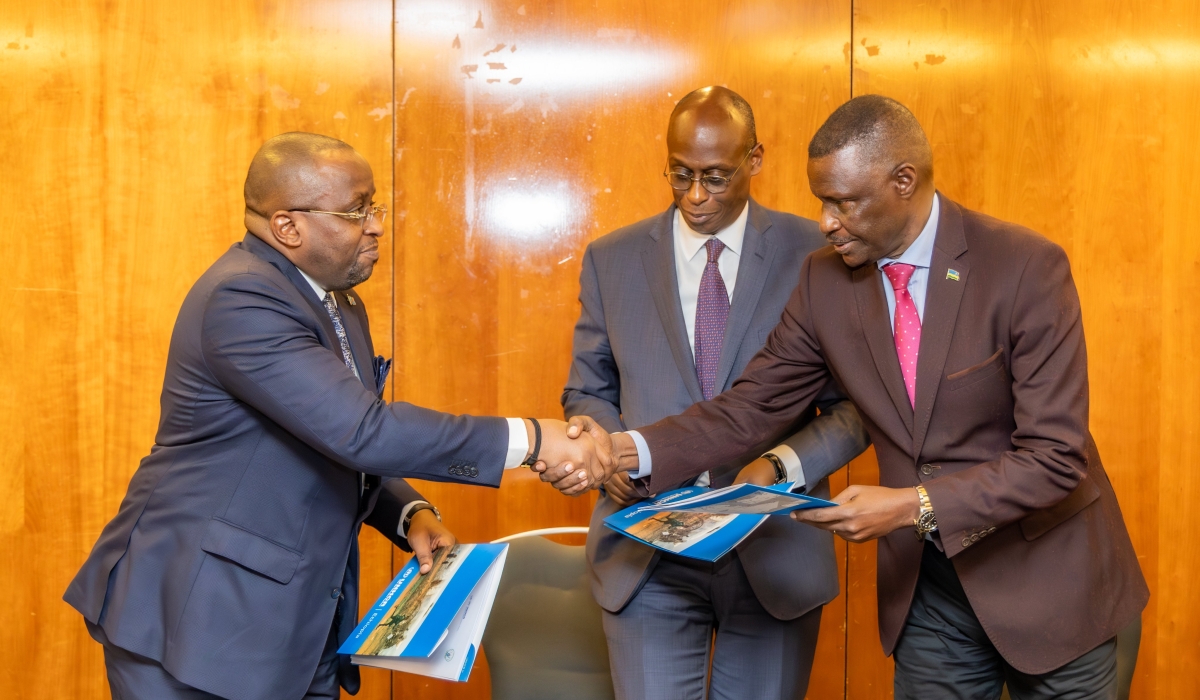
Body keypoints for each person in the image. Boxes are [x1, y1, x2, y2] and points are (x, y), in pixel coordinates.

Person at [545, 96, 1149, 699]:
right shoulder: (824, 280)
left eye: (843, 202)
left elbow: (1055, 457)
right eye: (821, 202)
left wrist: (910, 506)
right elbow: (751, 406)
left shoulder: (1023, 267)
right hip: (930, 597)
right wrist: (623, 451)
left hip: (1051, 587)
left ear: (903, 182)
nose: (827, 222)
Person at [64, 133, 610, 700]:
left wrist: (408, 513)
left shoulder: (337, 300)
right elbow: (362, 431)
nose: (376, 226)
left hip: (298, 624)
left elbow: (332, 435)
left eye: (374, 206)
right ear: (287, 227)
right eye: (355, 211)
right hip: (202, 618)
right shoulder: (242, 298)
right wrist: (532, 439)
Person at [562, 86, 869, 700]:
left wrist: (779, 467)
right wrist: (610, 456)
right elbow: (588, 389)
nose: (695, 195)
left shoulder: (817, 256)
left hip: (773, 547)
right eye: (680, 174)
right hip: (646, 549)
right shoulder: (611, 259)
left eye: (715, 177)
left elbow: (853, 409)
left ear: (755, 159)